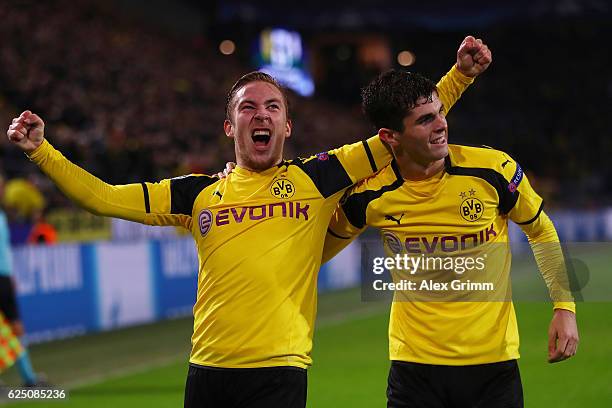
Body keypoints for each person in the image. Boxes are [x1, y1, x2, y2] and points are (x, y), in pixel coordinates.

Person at [7, 35, 487, 408]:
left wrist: (459, 77)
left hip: (278, 372)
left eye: (273, 106)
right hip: (206, 371)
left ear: (287, 126)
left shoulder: (318, 178)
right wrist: (42, 151)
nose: (262, 114)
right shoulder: (197, 193)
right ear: (229, 126)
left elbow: (402, 132)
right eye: (248, 107)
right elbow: (104, 197)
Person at [322, 67, 579, 407]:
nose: (442, 124)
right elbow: (315, 251)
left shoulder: (492, 170)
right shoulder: (369, 196)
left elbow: (541, 229)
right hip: (414, 371)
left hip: (493, 367)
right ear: (390, 137)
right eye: (425, 120)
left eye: (440, 112)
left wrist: (565, 307)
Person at [0, 174, 45, 387]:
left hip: (4, 279)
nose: (3, 191)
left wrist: (10, 274)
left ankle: (29, 378)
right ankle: (28, 378)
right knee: (14, 329)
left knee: (16, 329)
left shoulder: (2, 215)